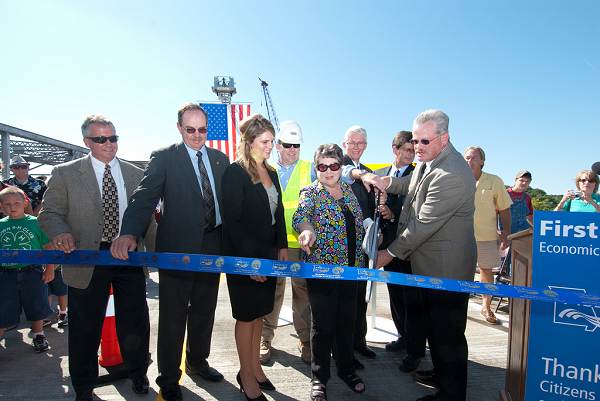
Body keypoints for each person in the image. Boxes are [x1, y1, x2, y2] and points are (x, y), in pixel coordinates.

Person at [111, 103, 228, 401]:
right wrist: (129, 233)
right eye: (190, 129)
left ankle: (197, 362)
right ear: (179, 128)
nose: (197, 135)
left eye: (202, 130)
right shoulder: (164, 158)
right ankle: (168, 378)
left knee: (204, 311)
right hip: (176, 250)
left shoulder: (219, 159)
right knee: (174, 316)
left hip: (212, 246)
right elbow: (144, 197)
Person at [358, 109, 476, 401]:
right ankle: (440, 373)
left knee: (448, 336)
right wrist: (387, 182)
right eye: (414, 141)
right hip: (428, 265)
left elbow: (422, 226)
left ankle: (451, 393)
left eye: (424, 141)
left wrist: (389, 254)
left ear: (444, 138)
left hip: (446, 270)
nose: (417, 148)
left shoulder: (452, 174)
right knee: (436, 332)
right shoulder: (431, 160)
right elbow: (411, 185)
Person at [39, 115, 151, 401]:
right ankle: (84, 386)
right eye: (101, 139)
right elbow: (49, 213)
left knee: (135, 322)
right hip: (86, 258)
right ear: (87, 141)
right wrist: (60, 233)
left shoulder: (136, 174)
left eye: (113, 138)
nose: (109, 144)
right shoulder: (65, 173)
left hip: (128, 258)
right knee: (85, 327)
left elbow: (147, 220)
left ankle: (138, 374)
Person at [221, 114, 288, 401]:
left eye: (272, 141)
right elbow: (233, 223)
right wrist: (249, 263)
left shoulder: (271, 172)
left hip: (268, 255)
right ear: (249, 142)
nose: (270, 146)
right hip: (244, 257)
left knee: (261, 313)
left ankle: (255, 367)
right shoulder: (235, 173)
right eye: (265, 141)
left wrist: (282, 245)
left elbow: (279, 212)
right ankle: (245, 375)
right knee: (247, 317)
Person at [293, 143, 366, 401]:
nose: (328, 171)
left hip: (351, 271)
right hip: (322, 270)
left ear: (340, 167)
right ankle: (319, 378)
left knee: (347, 322)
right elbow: (301, 216)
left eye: (334, 166)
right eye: (322, 166)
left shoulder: (348, 191)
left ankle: (346, 369)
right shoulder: (310, 192)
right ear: (316, 168)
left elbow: (358, 221)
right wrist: (306, 230)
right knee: (323, 327)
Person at [260, 120, 315, 365]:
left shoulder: (309, 168)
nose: (293, 149)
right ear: (278, 145)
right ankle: (265, 338)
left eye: (297, 145)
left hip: (301, 245)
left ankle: (305, 340)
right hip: (273, 244)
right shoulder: (265, 169)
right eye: (288, 145)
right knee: (272, 291)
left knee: (302, 293)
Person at [373, 131, 427, 372]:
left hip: (408, 246)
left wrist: (392, 215)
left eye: (413, 149)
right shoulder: (381, 175)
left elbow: (418, 213)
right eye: (406, 149)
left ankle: (416, 351)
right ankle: (403, 337)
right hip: (385, 246)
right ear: (394, 149)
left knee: (412, 300)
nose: (411, 153)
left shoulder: (419, 175)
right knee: (395, 296)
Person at [0, 186, 55, 352]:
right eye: (7, 204)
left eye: (16, 203)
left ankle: (39, 335)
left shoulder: (36, 223)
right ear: (1, 206)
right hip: (6, 273)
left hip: (32, 271)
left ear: (25, 203)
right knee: (4, 305)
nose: (12, 206)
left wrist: (50, 269)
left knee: (35, 303)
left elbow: (48, 247)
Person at [463, 146, 512, 325]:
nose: (470, 160)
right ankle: (456, 305)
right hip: (460, 237)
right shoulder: (456, 180)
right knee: (459, 271)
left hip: (487, 237)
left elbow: (505, 209)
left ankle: (486, 305)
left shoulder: (494, 181)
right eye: (467, 157)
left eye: (474, 157)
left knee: (486, 271)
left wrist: (506, 233)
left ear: (482, 161)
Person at [340, 125, 376, 363]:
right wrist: (360, 175)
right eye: (352, 142)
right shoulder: (336, 164)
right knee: (342, 299)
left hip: (362, 246)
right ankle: (342, 349)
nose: (355, 147)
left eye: (360, 143)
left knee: (360, 296)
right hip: (340, 244)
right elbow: (346, 173)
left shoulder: (369, 171)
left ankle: (358, 342)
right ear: (344, 144)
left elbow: (371, 205)